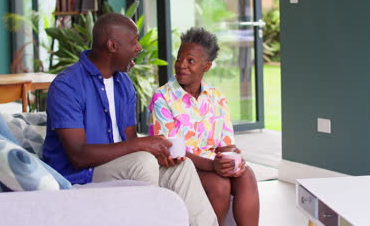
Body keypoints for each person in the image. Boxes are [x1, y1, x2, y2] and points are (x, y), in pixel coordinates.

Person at [43, 13, 218, 226]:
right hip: (81, 173)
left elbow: (129, 143)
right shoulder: (67, 86)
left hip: (122, 166)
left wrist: (159, 154)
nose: (139, 47)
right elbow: (78, 156)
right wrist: (142, 145)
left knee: (182, 167)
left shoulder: (123, 83)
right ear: (112, 46)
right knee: (142, 162)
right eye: (134, 41)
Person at [148, 27, 260, 226]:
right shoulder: (162, 97)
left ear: (206, 66)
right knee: (219, 185)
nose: (181, 65)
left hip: (211, 164)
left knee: (247, 175)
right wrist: (213, 166)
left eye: (190, 60)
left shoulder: (217, 98)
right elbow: (170, 150)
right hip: (180, 167)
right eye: (179, 58)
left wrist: (234, 161)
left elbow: (226, 145)